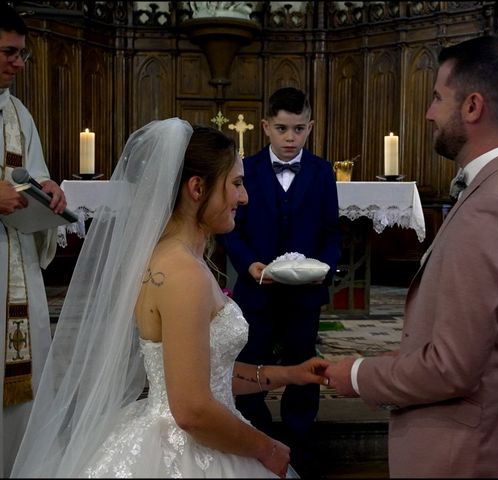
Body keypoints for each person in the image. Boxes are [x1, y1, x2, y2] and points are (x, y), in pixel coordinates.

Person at [10, 119, 330, 478]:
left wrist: (288, 374)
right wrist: (266, 447)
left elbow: (202, 371)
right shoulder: (183, 275)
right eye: (236, 184)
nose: (244, 197)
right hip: (188, 452)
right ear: (197, 187)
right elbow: (192, 409)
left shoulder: (173, 259)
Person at [325, 35, 498, 478]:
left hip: (466, 454)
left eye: (437, 97)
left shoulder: (493, 207)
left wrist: (356, 375)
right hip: (497, 435)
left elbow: (451, 369)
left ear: (472, 107)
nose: (430, 112)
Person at [219, 87, 341, 475]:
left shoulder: (322, 172)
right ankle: (257, 438)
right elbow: (229, 229)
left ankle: (299, 449)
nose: (291, 138)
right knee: (248, 365)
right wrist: (249, 264)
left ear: (311, 128)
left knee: (303, 369)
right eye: (283, 129)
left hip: (304, 295)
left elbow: (332, 232)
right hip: (256, 292)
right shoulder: (246, 170)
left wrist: (323, 266)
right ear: (265, 127)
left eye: (300, 129)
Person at [0, 4, 67, 476]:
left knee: (25, 383)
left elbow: (33, 175)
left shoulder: (19, 114)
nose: (18, 64)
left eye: (22, 55)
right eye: (9, 52)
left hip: (16, 267)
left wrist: (50, 191)